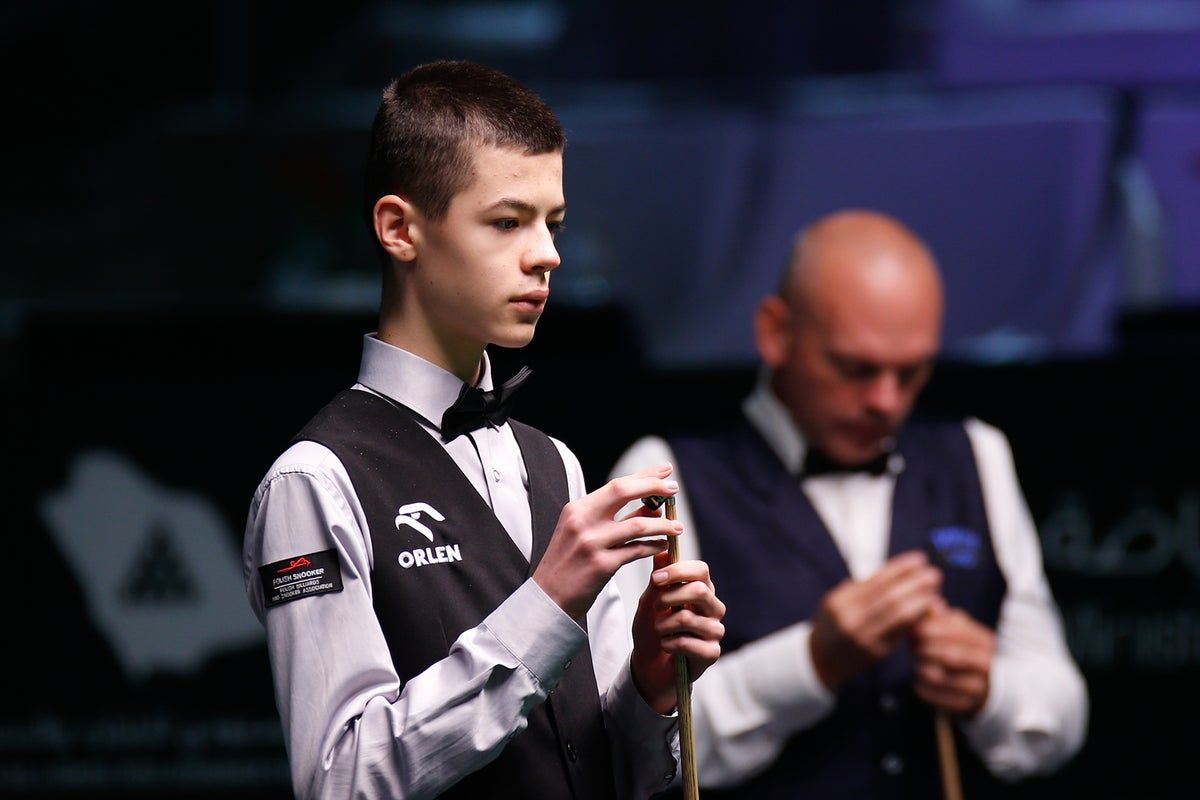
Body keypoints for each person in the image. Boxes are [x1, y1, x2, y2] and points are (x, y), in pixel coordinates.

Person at [242, 60, 726, 800]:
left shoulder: (555, 462)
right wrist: (546, 605)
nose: (547, 254)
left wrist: (651, 686)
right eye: (507, 222)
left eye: (553, 224)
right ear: (399, 229)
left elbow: (607, 768)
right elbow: (340, 780)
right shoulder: (316, 480)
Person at [609, 209, 1088, 798]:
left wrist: (991, 689)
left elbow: (1063, 712)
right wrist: (810, 662)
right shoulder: (664, 474)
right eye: (855, 369)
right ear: (775, 332)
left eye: (910, 373)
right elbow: (630, 746)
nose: (886, 401)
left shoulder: (977, 454)